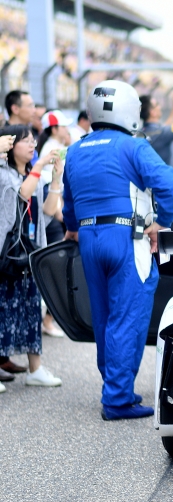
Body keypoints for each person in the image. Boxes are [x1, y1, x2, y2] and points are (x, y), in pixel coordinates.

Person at [61, 80, 173, 420]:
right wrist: (163, 221)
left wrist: (73, 227)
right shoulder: (134, 146)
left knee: (103, 318)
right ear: (129, 110)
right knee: (127, 317)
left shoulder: (75, 150)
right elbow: (169, 184)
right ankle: (116, 399)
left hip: (88, 238)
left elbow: (69, 204)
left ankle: (115, 387)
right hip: (127, 237)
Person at [0, 125, 65, 388]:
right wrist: (39, 167)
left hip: (28, 252)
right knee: (2, 310)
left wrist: (56, 179)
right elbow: (21, 195)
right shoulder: (3, 174)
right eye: (25, 141)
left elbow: (47, 212)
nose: (32, 145)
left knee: (30, 309)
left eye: (33, 141)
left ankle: (35, 369)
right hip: (5, 252)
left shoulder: (32, 174)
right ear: (10, 145)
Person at [37, 109, 74, 338]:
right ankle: (47, 320)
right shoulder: (53, 149)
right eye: (64, 125)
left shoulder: (54, 146)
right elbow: (53, 185)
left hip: (55, 214)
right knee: (57, 268)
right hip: (53, 216)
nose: (67, 129)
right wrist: (63, 216)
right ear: (54, 128)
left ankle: (47, 319)